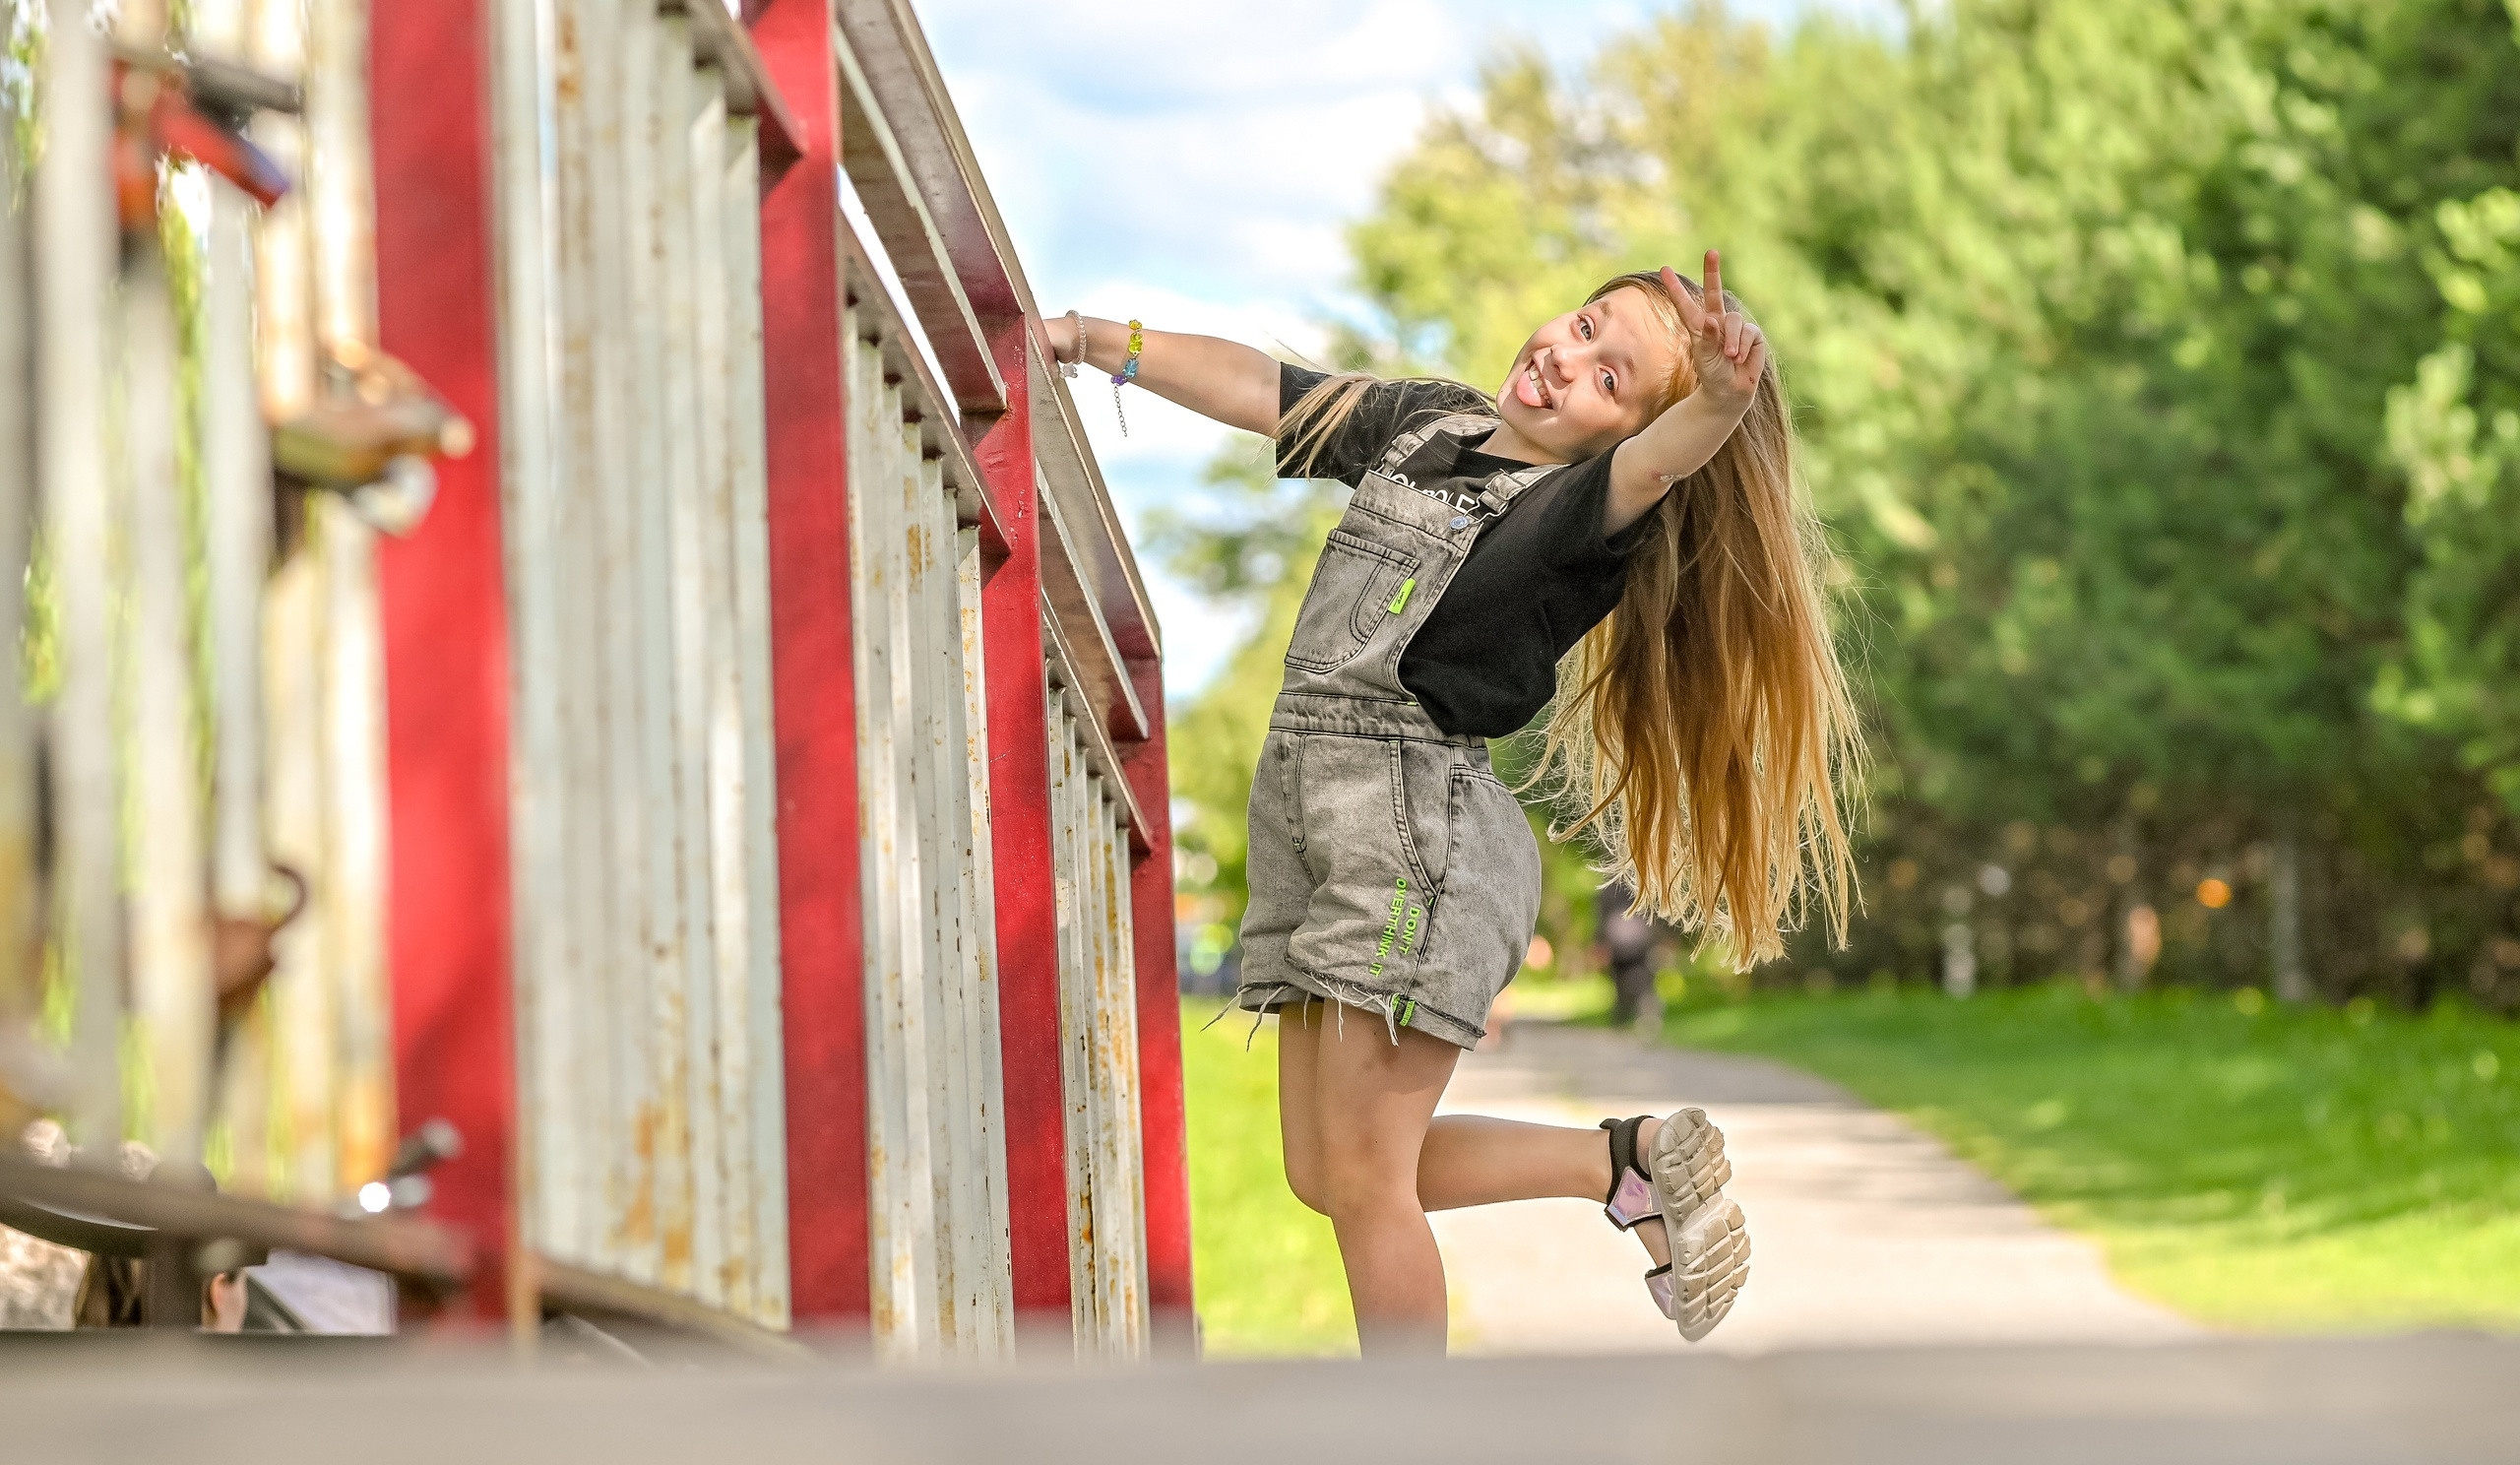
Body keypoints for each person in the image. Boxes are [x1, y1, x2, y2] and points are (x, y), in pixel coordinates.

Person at [1047, 251, 1858, 1355]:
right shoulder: (1426, 424)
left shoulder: (1579, 515)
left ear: (1624, 435)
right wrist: (1099, 343)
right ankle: (1621, 1165)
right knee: (1322, 1174)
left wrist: (1717, 401)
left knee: (1368, 1184)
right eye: (1581, 325)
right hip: (1307, 807)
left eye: (1610, 380)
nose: (1565, 359)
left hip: (1412, 834)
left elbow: (1661, 466)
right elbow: (1270, 391)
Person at [1596, 880, 1666, 1034]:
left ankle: (1643, 1018)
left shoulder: (1643, 883)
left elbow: (1654, 913)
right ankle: (1622, 1020)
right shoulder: (1610, 888)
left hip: (1638, 944)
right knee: (1621, 984)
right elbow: (1602, 916)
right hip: (1619, 946)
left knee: (1641, 982)